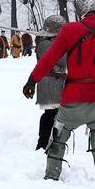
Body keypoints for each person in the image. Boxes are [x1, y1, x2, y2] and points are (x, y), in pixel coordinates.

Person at [22, 0, 95, 183]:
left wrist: (32, 80)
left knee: (58, 137)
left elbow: (48, 60)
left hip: (73, 100)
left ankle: (51, 176)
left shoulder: (69, 30)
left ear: (81, 13)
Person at [33, 15, 67, 150]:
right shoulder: (46, 44)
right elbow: (60, 61)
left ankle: (49, 139)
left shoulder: (53, 42)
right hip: (48, 82)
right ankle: (43, 142)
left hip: (56, 82)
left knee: (55, 113)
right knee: (50, 114)